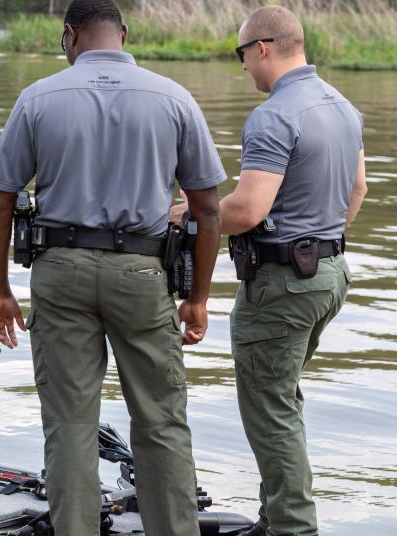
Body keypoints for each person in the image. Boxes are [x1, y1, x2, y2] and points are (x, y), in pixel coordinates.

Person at [0, 1, 225, 534]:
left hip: (60, 270)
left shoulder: (38, 98)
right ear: (124, 34)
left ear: (70, 35)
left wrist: (0, 291)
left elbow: (0, 203)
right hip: (143, 273)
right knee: (160, 420)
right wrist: (198, 298)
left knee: (69, 423)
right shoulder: (174, 98)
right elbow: (207, 210)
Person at [172, 6, 367, 536]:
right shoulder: (343, 106)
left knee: (271, 410)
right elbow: (357, 191)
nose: (242, 66)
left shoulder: (274, 115)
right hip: (330, 274)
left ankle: (292, 529)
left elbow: (247, 210)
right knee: (281, 400)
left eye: (242, 54)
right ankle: (274, 516)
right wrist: (319, 238)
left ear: (261, 47)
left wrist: (186, 214)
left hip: (283, 283)